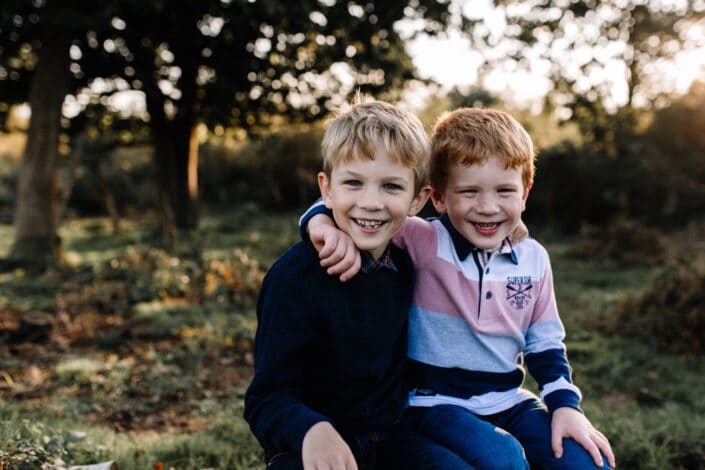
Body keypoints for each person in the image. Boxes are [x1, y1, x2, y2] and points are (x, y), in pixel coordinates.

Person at [300, 107, 616, 469]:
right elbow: (357, 207)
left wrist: (565, 408)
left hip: (509, 400)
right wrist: (320, 224)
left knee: (588, 462)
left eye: (504, 191)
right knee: (503, 460)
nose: (488, 207)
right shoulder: (422, 239)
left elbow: (544, 344)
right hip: (434, 404)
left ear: (525, 192)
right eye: (469, 191)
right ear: (437, 197)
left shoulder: (534, 259)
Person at [243, 99, 476, 470]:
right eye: (353, 183)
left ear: (417, 199)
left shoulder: (407, 263)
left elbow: (477, 230)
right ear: (327, 188)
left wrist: (514, 230)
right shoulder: (293, 278)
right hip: (312, 449)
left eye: (391, 186)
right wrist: (310, 429)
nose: (370, 203)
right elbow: (265, 399)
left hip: (392, 440)